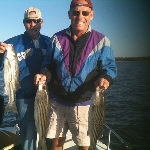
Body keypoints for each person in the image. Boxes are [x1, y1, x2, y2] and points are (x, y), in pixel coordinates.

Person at [34, 0, 117, 150]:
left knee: (84, 145)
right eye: (75, 12)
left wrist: (106, 78)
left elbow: (109, 67)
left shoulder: (102, 41)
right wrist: (44, 74)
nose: (80, 16)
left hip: (83, 104)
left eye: (85, 13)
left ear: (91, 15)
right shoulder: (57, 38)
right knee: (56, 143)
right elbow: (48, 64)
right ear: (69, 14)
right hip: (57, 101)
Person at [0, 7, 50, 150]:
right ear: (24, 23)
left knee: (48, 131)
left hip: (47, 96)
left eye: (36, 21)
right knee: (28, 135)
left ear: (42, 22)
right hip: (24, 96)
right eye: (29, 21)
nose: (33, 24)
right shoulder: (13, 43)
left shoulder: (50, 42)